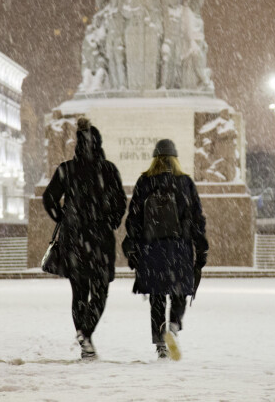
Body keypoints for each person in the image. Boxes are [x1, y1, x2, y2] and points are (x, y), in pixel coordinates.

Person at [43, 117, 127, 360]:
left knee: (79, 292)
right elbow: (121, 201)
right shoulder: (108, 169)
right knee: (99, 292)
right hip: (99, 239)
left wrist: (61, 216)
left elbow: (49, 198)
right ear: (99, 144)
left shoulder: (67, 169)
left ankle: (83, 337)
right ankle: (86, 333)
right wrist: (111, 220)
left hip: (74, 239)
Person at [122, 139, 208, 360]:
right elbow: (197, 218)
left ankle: (160, 341)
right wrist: (201, 247)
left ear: (155, 158)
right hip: (179, 248)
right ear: (174, 158)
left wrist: (132, 245)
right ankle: (173, 325)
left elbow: (133, 219)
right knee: (179, 291)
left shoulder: (145, 182)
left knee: (157, 297)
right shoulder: (185, 182)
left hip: (152, 249)